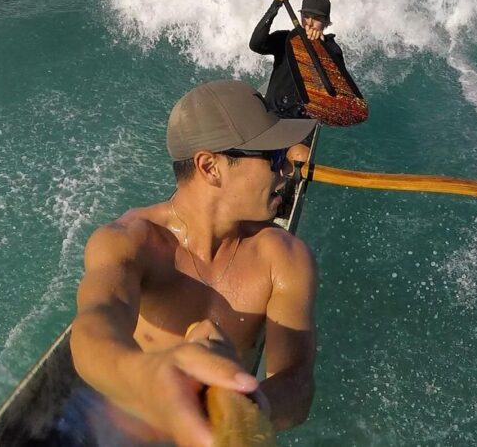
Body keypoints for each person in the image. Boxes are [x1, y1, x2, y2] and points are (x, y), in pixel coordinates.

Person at [69, 80, 319, 447]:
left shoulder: (284, 257)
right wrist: (153, 381)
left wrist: (251, 405)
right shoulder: (130, 242)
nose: (287, 171)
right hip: (130, 431)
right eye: (276, 158)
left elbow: (298, 383)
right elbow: (91, 330)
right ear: (210, 167)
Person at [248, 0, 347, 120]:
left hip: (300, 123)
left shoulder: (332, 49)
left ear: (327, 22)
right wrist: (275, 5)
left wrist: (319, 45)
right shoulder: (285, 39)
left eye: (317, 19)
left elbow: (337, 86)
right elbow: (255, 44)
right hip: (271, 115)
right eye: (306, 16)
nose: (310, 23)